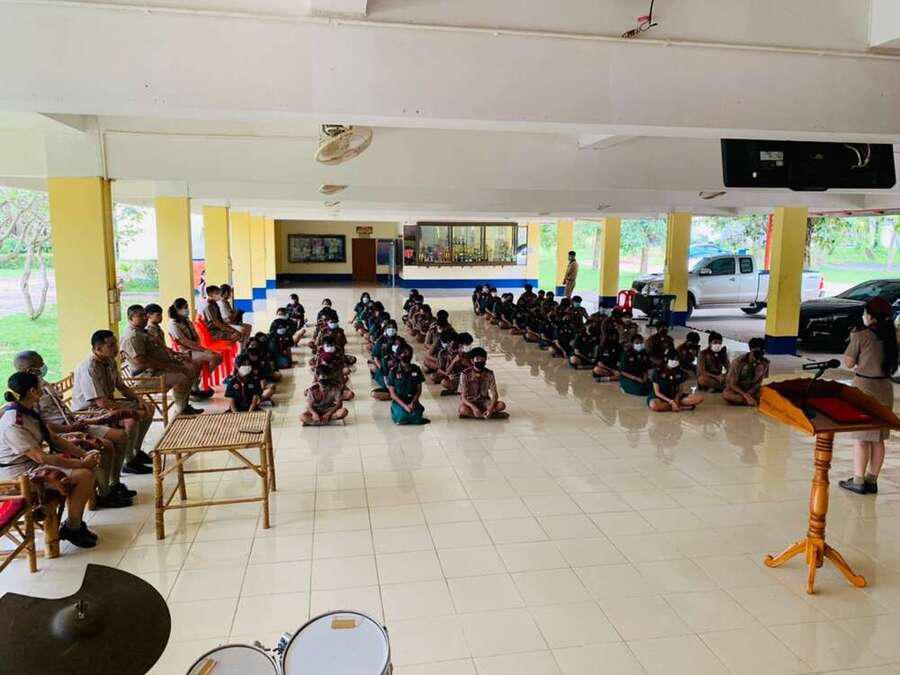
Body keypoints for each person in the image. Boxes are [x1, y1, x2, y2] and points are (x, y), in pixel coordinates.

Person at [14, 350, 133, 508]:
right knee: (104, 446)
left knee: (121, 436)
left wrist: (78, 423)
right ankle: (104, 493)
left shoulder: (42, 384)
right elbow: (46, 429)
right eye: (40, 365)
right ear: (30, 370)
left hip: (75, 423)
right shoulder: (29, 396)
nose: (44, 367)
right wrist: (71, 432)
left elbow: (61, 411)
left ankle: (114, 483)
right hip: (62, 432)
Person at [1, 372, 101, 548]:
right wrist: (81, 463)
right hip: (17, 478)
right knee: (84, 475)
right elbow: (40, 457)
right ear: (33, 391)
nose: (44, 388)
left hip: (32, 465)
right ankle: (72, 528)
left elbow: (54, 439)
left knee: (86, 470)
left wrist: (83, 454)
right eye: (40, 386)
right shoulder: (13, 423)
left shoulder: (27, 411)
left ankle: (74, 524)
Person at [72, 330, 155, 476]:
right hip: (90, 411)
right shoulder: (88, 368)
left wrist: (139, 400)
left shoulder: (110, 361)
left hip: (108, 403)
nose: (116, 348)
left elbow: (121, 386)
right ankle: (129, 461)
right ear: (98, 349)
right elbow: (101, 402)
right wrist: (128, 410)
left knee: (149, 408)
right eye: (111, 345)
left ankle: (135, 450)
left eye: (115, 343)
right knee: (131, 419)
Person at [839, 297, 898, 495]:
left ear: (871, 316)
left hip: (864, 389)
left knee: (862, 438)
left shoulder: (861, 335)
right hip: (885, 389)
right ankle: (872, 480)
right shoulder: (892, 336)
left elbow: (848, 363)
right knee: (878, 438)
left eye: (866, 313)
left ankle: (858, 481)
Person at [120, 305, 203, 417]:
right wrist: (169, 367)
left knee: (191, 367)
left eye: (145, 315)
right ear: (131, 318)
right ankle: (181, 410)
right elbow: (142, 360)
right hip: (146, 376)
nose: (145, 318)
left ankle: (184, 404)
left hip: (157, 369)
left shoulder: (142, 331)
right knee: (184, 375)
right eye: (140, 316)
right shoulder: (132, 336)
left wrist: (175, 356)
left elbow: (160, 347)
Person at [167, 297, 224, 378]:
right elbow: (185, 342)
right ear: (178, 310)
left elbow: (196, 336)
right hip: (185, 352)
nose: (187, 310)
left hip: (195, 348)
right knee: (215, 358)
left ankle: (201, 377)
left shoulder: (186, 320)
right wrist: (204, 350)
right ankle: (201, 379)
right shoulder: (173, 324)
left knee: (219, 357)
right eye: (185, 307)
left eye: (187, 307)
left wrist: (201, 348)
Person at [458, 348, 508, 419]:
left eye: (483, 359)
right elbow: (463, 397)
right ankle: (488, 415)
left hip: (485, 401)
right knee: (462, 409)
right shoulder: (465, 374)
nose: (480, 361)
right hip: (471, 401)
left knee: (501, 405)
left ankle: (479, 415)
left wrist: (490, 408)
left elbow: (495, 394)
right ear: (472, 361)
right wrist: (474, 408)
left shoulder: (489, 373)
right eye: (478, 359)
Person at [387, 344, 429, 425]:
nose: (408, 355)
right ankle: (395, 411)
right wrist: (404, 406)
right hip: (399, 401)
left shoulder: (416, 369)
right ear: (399, 356)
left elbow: (419, 390)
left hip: (412, 400)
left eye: (410, 353)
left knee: (417, 419)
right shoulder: (393, 371)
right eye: (405, 353)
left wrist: (413, 402)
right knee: (402, 418)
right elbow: (392, 394)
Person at [722, 337, 770, 406]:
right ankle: (752, 401)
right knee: (727, 395)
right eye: (756, 353)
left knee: (769, 393)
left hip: (753, 390)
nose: (758, 356)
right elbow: (732, 384)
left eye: (761, 353)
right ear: (750, 349)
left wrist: (749, 393)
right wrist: (746, 396)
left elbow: (759, 383)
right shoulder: (738, 362)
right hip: (738, 389)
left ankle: (748, 401)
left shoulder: (765, 363)